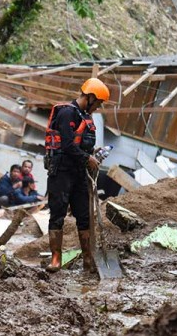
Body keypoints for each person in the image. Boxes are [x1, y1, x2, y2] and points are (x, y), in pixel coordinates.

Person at [45, 77, 110, 273]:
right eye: (97, 103)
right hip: (61, 172)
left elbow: (80, 144)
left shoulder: (85, 117)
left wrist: (93, 155)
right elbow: (67, 144)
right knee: (57, 215)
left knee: (83, 216)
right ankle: (56, 258)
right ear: (90, 97)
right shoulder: (67, 113)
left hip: (80, 173)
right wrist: (87, 158)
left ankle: (88, 261)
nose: (98, 107)